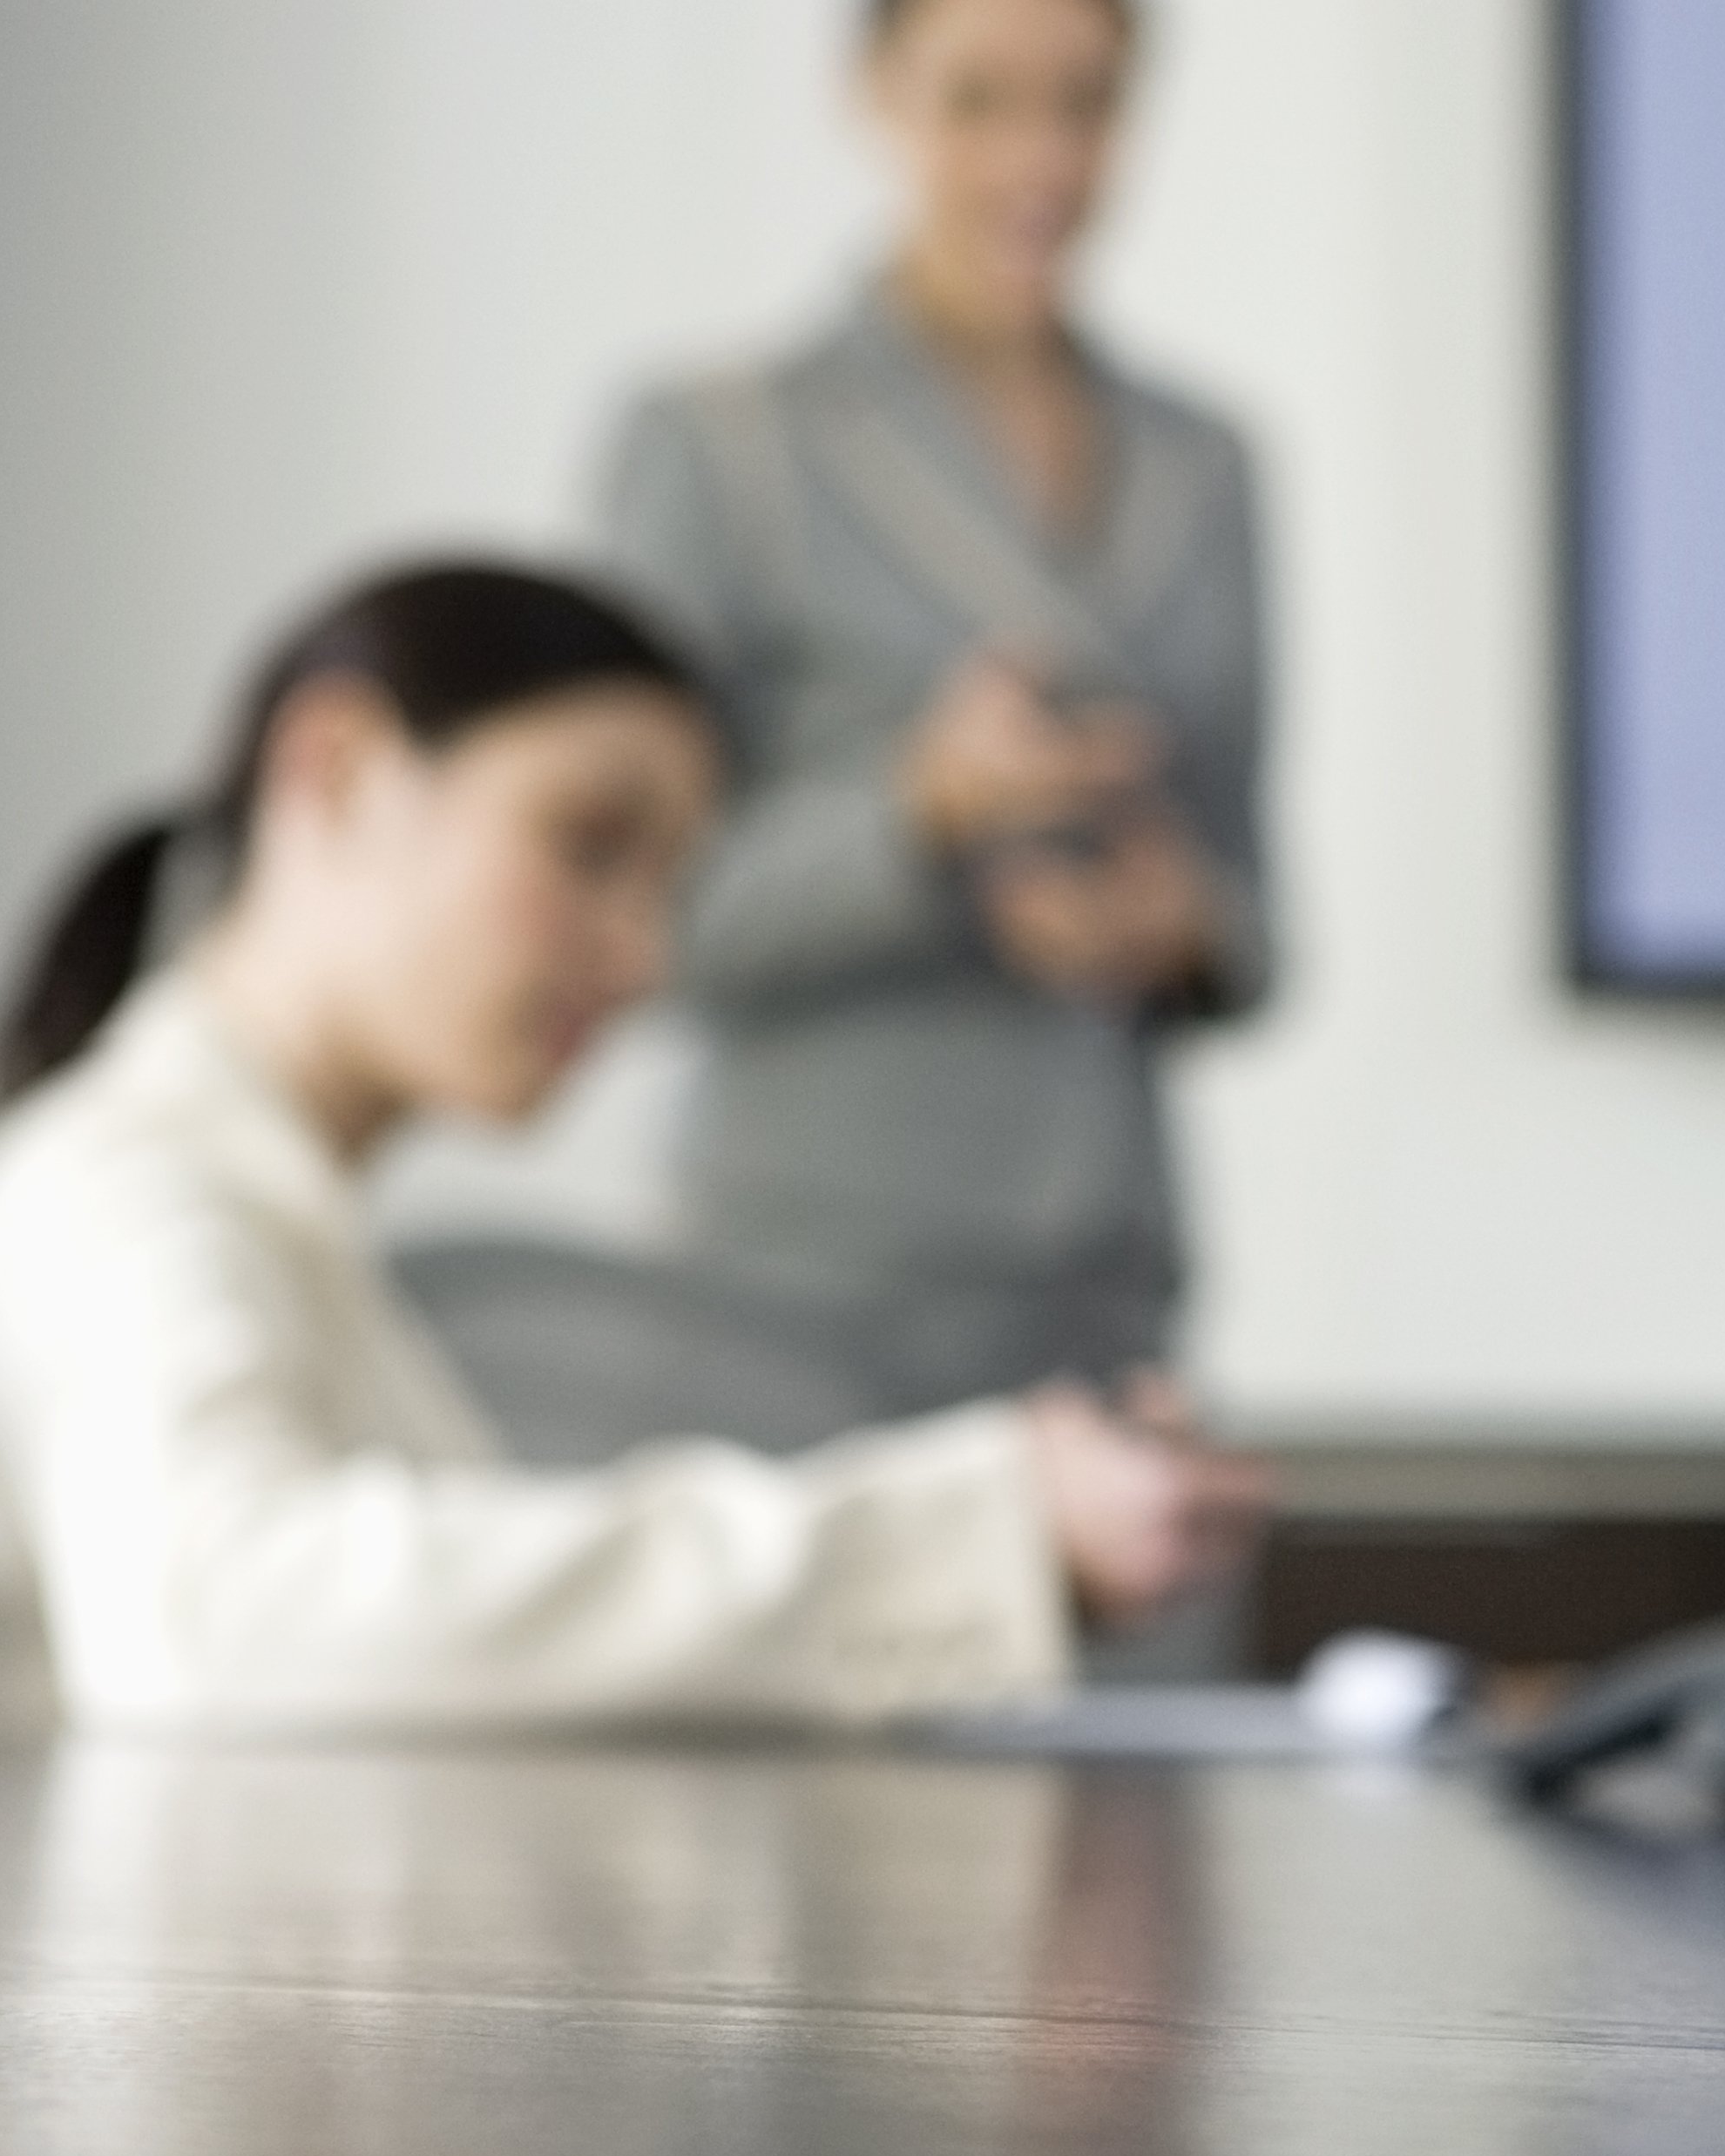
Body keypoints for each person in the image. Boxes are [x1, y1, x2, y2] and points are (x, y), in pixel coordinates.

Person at [0, 562, 1261, 1739]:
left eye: (670, 886)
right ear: (340, 772)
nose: (639, 954)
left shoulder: (250, 1205)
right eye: (589, 845)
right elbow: (230, 1618)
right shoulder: (127, 1185)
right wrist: (961, 1529)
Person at [517, 0, 1267, 1454]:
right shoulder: (722, 447)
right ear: (874, 96)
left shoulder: (1205, 463)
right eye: (978, 100)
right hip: (809, 1304)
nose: (1040, 157)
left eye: (1085, 102)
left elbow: (1256, 924)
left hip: (1105, 1304)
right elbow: (634, 918)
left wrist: (1174, 922)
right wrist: (921, 813)